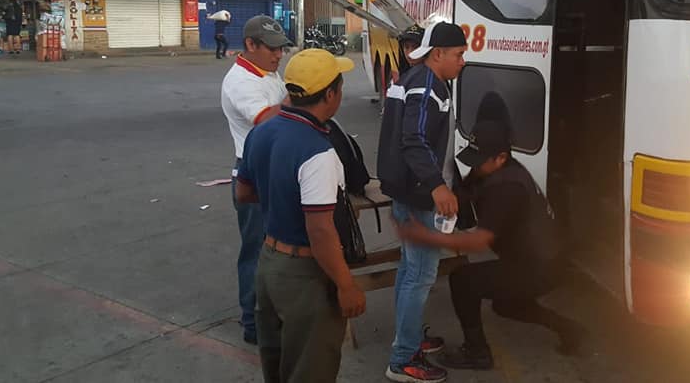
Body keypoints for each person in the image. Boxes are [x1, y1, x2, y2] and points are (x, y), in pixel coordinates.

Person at [395, 120, 585, 370]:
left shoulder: (508, 188)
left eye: (479, 159)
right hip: (536, 258)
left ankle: (477, 353)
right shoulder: (492, 168)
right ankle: (571, 329)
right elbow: (466, 191)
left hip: (543, 267)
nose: (474, 165)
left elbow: (478, 241)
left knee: (463, 281)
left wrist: (424, 236)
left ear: (501, 157)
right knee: (507, 304)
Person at [235, 48, 367, 383]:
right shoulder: (318, 151)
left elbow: (244, 193)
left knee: (276, 366)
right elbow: (320, 231)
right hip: (305, 275)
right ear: (330, 95)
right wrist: (346, 285)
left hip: (268, 265)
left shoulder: (261, 132)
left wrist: (281, 196)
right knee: (311, 369)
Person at [378, 21, 467, 383]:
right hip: (419, 193)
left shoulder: (415, 78)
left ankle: (409, 338)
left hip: (405, 188)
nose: (463, 61)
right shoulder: (429, 84)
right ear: (438, 54)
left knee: (409, 269)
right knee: (420, 274)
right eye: (459, 55)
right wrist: (438, 187)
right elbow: (413, 139)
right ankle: (403, 360)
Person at [220, 14, 292, 345]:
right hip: (253, 174)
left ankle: (272, 315)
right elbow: (266, 120)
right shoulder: (240, 82)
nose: (279, 55)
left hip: (276, 170)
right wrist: (302, 97)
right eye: (273, 49)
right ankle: (252, 323)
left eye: (282, 49)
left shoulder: (268, 73)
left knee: (276, 249)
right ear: (250, 45)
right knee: (256, 252)